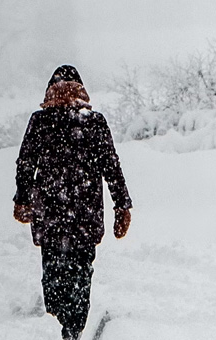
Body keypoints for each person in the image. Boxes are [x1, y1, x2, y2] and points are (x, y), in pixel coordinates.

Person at [13, 65, 133, 340]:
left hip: (50, 215)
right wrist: (121, 205)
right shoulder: (94, 122)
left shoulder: (41, 120)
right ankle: (74, 329)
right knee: (81, 274)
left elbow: (25, 164)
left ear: (49, 91)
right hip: (85, 216)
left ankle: (55, 325)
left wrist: (22, 198)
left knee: (53, 271)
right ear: (82, 91)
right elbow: (111, 167)